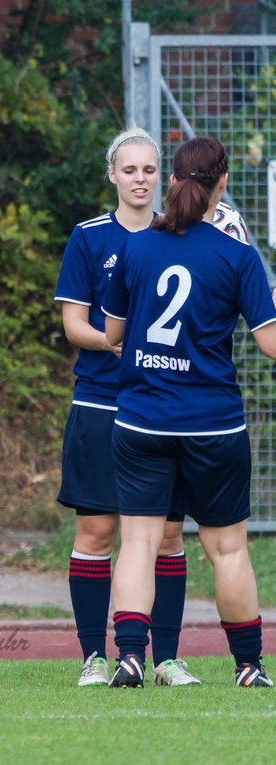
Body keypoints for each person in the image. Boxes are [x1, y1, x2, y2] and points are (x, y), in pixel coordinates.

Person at [102, 135, 276, 688]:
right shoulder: (238, 256)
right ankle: (248, 666)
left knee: (138, 542)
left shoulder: (137, 246)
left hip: (141, 418)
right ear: (221, 185)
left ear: (171, 180)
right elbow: (270, 343)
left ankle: (129, 655)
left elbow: (112, 333)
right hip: (212, 422)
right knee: (226, 549)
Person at [54, 128, 198, 687]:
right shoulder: (89, 238)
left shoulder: (182, 237)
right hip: (100, 402)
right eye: (129, 170)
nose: (140, 179)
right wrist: (113, 342)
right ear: (112, 175)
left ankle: (164, 659)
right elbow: (74, 325)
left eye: (149, 170)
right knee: (96, 531)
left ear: (161, 176)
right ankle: (95, 656)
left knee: (166, 535)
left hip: (164, 405)